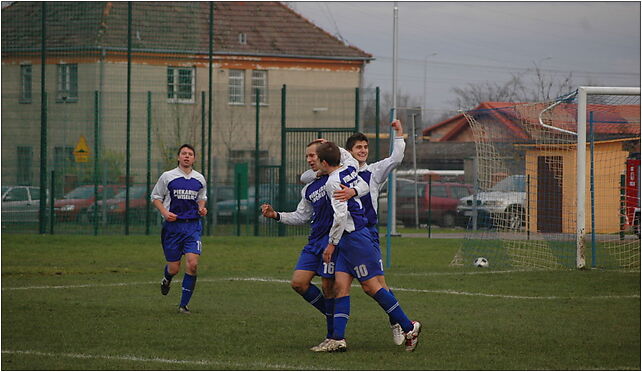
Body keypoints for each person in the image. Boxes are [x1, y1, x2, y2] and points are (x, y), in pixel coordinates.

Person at [300, 119, 408, 346]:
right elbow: (305, 177)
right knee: (339, 286)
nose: (363, 151)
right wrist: (319, 161)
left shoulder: (374, 171)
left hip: (364, 232)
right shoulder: (339, 172)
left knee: (377, 284)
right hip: (341, 235)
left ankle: (399, 323)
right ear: (348, 152)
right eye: (358, 147)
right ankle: (336, 338)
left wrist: (398, 134)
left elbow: (396, 159)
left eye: (366, 147)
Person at [260, 139, 369, 351]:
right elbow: (301, 216)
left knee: (330, 289)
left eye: (313, 156)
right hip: (313, 242)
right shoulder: (309, 187)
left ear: (323, 158)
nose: (310, 160)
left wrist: (331, 144)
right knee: (298, 283)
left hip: (331, 241)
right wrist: (276, 215)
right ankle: (334, 316)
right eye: (307, 157)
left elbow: (351, 173)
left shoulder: (338, 177)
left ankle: (333, 336)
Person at [315, 141, 421, 353]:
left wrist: (331, 244)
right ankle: (337, 338)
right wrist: (332, 145)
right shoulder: (349, 168)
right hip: (348, 240)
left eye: (316, 159)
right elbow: (362, 185)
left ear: (324, 162)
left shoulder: (332, 182)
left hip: (356, 238)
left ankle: (409, 327)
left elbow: (340, 216)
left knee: (372, 287)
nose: (314, 162)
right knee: (341, 288)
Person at [151, 144, 207, 314]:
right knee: (174, 268)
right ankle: (167, 279)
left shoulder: (199, 178)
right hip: (173, 228)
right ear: (178, 157)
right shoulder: (167, 176)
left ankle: (183, 306)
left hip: (192, 227)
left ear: (194, 159)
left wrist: (202, 208)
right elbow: (155, 197)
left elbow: (201, 197)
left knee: (193, 264)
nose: (187, 156)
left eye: (190, 154)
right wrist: (165, 212)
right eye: (184, 153)